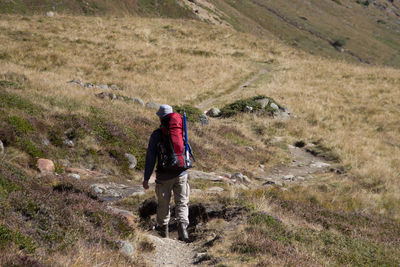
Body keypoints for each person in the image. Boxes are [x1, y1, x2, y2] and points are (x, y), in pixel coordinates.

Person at [142, 104, 190, 242]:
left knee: (164, 203)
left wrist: (146, 178)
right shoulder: (181, 130)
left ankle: (164, 230)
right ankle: (183, 226)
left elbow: (150, 158)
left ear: (160, 118)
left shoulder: (157, 135)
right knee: (182, 202)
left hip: (164, 176)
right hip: (181, 173)